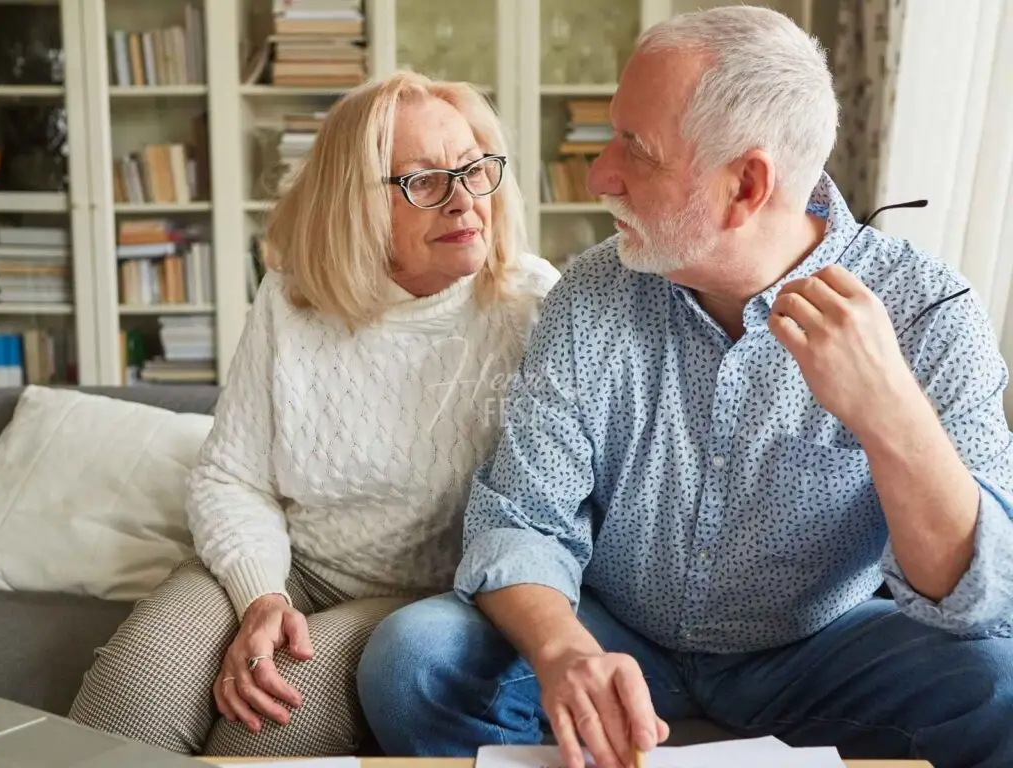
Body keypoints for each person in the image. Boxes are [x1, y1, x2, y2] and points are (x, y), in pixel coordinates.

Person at [356, 8, 1013, 768]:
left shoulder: (929, 310)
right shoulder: (592, 291)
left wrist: (890, 414)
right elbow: (523, 520)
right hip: (617, 629)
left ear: (746, 185)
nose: (601, 174)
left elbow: (982, 601)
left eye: (635, 149)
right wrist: (565, 652)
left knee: (1001, 689)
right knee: (412, 660)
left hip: (821, 648)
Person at [68, 71, 560, 758]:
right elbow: (231, 478)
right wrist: (261, 598)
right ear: (354, 204)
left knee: (261, 723)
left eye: (474, 169)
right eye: (422, 180)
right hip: (292, 565)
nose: (463, 201)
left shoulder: (536, 306)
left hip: (424, 600)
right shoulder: (292, 296)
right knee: (129, 697)